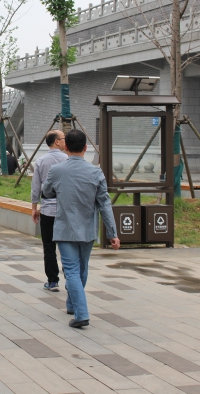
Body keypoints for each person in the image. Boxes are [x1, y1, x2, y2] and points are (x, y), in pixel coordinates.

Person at [42, 129, 119, 329]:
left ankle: (81, 313)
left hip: (65, 229)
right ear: (85, 148)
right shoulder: (96, 172)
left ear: (66, 147)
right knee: (82, 269)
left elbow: (46, 192)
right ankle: (72, 305)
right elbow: (105, 204)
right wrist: (112, 233)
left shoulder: (57, 170)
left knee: (72, 271)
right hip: (88, 230)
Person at [31, 130, 68, 292]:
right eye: (64, 138)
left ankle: (52, 281)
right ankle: (70, 277)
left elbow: (36, 186)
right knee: (67, 245)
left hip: (48, 210)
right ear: (57, 142)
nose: (66, 140)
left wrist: (34, 207)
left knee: (49, 246)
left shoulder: (41, 161)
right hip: (66, 210)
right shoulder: (68, 160)